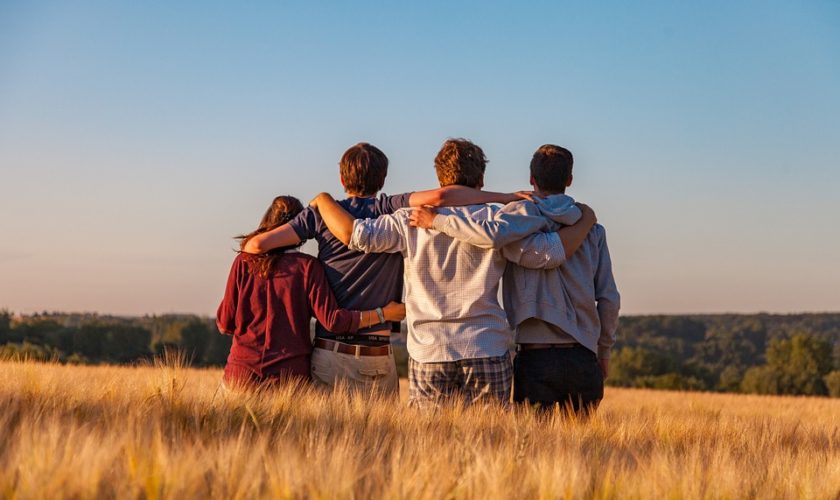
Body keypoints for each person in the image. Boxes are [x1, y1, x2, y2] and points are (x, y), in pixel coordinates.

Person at [310, 138, 597, 408]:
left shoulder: (408, 220)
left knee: (430, 447)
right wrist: (585, 221)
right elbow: (547, 255)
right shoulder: (498, 220)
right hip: (486, 345)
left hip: (429, 350)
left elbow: (357, 236)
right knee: (490, 445)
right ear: (481, 180)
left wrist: (323, 200)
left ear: (439, 178)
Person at [240, 142, 528, 395]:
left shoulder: (320, 214)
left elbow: (255, 247)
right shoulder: (390, 208)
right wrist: (505, 197)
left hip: (330, 352)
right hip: (379, 353)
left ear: (342, 178)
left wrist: (319, 204)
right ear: (383, 178)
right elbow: (442, 198)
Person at [411, 144, 620, 415]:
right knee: (583, 452)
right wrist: (603, 351)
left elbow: (490, 236)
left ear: (532, 179)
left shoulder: (514, 222)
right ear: (569, 180)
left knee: (531, 449)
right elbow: (608, 298)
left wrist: (438, 221)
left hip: (535, 357)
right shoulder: (593, 230)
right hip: (583, 355)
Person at [216, 195, 406, 390]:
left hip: (240, 376)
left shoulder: (243, 262)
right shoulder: (307, 267)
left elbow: (225, 323)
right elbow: (333, 321)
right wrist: (383, 314)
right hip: (289, 380)